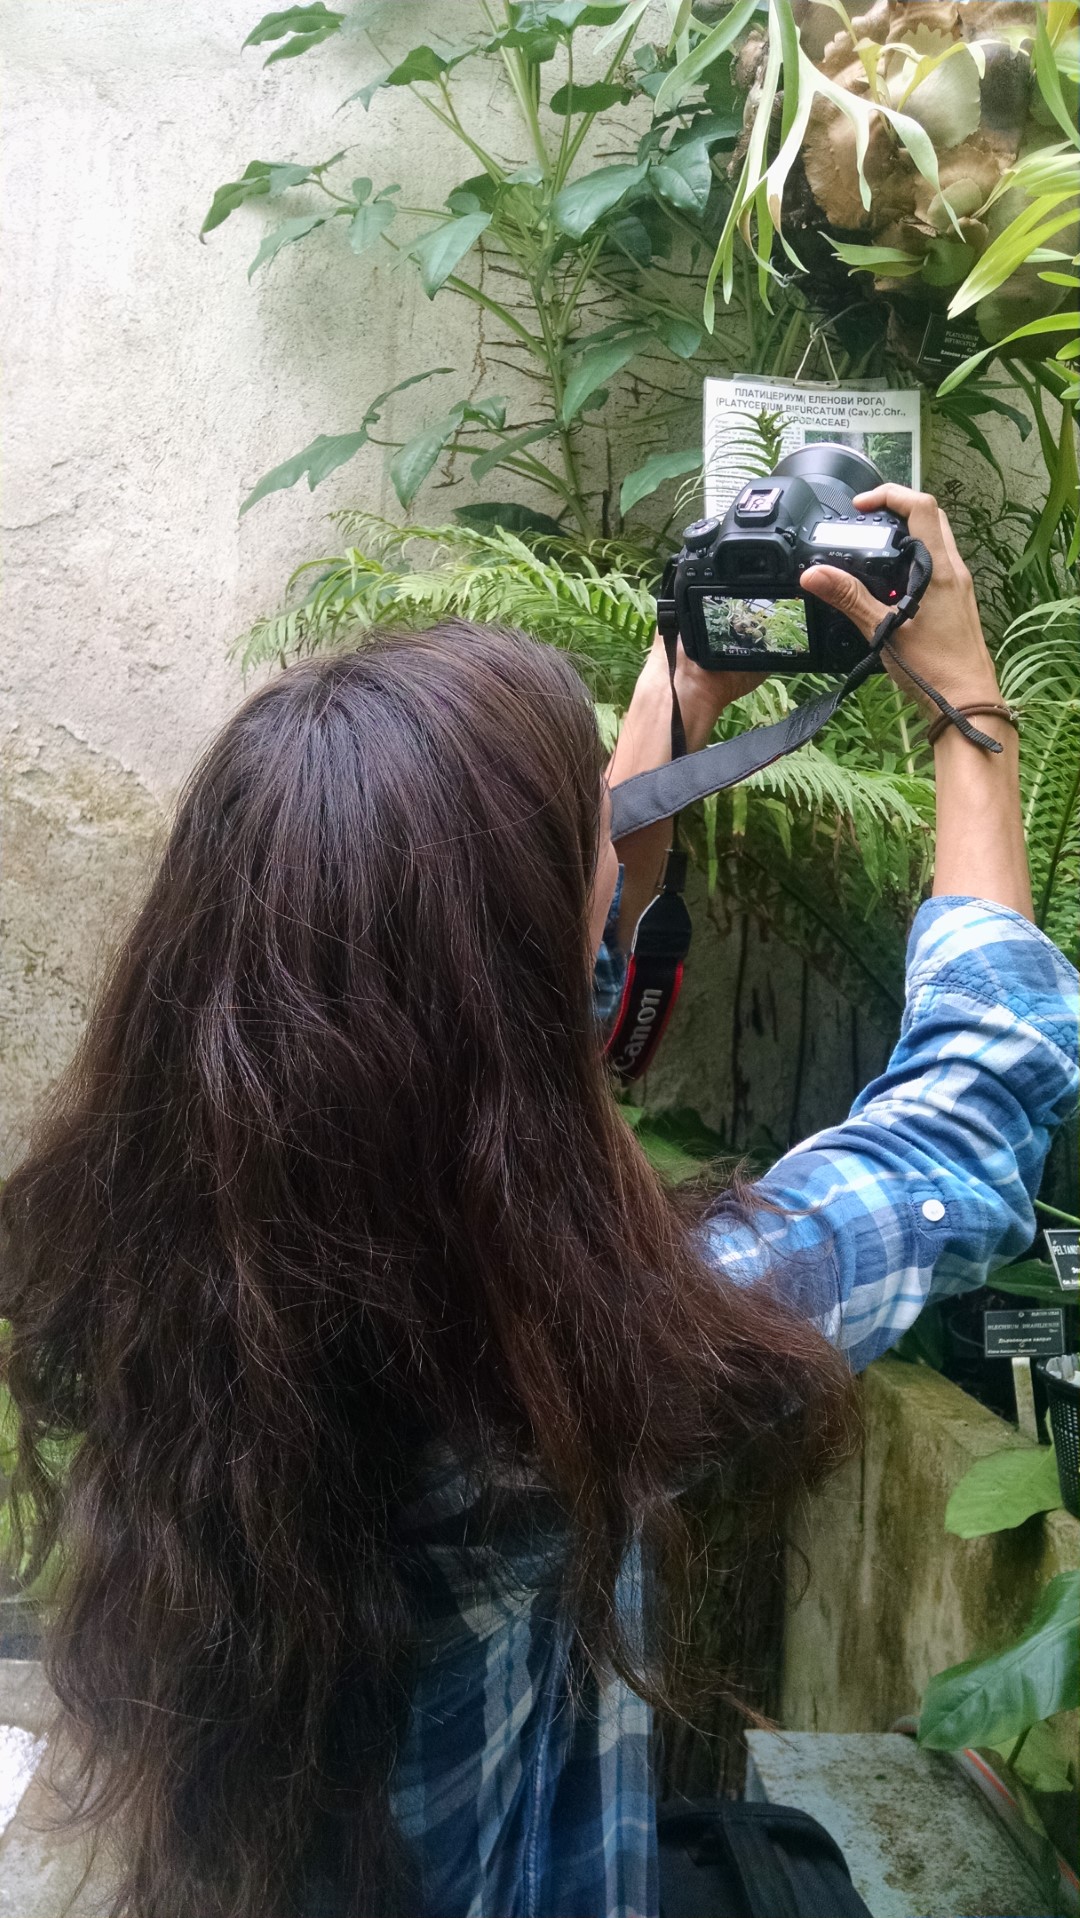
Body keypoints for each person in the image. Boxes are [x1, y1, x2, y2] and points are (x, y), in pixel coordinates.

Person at [1, 486, 1076, 1918]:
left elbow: (506, 997)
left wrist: (677, 694)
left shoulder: (168, 1252)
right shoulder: (569, 1371)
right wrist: (967, 712)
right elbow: (977, 1108)